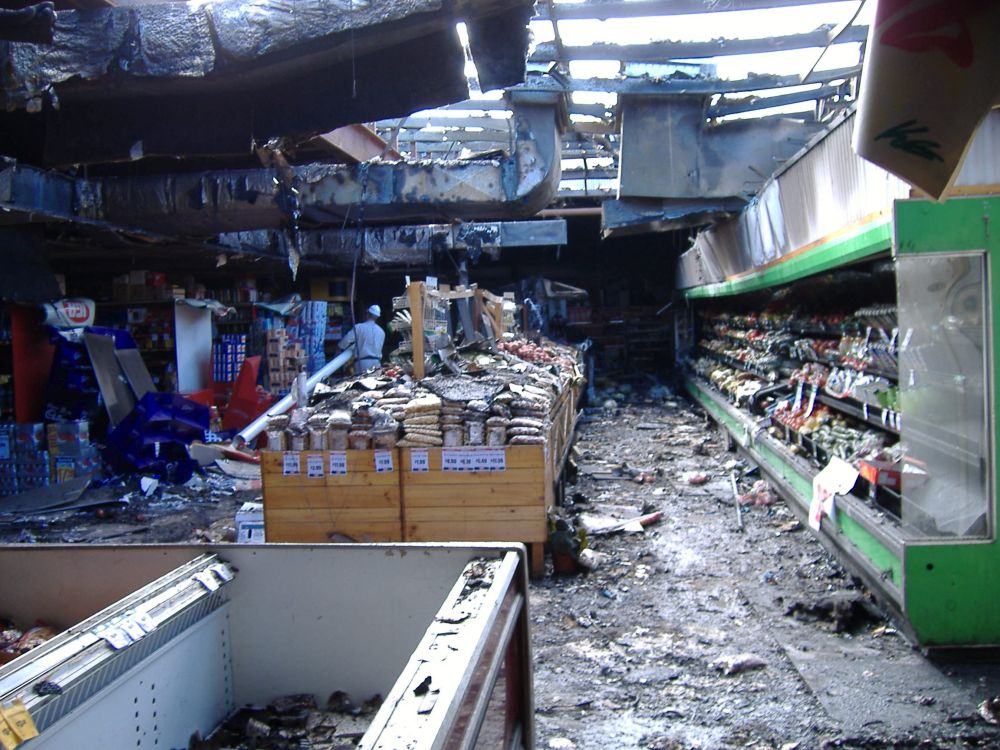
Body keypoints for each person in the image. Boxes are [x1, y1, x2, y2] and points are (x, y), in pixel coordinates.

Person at [339, 304, 385, 372]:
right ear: (377, 317)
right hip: (377, 363)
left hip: (363, 363)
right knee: (376, 381)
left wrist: (339, 348)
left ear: (367, 314)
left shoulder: (359, 327)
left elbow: (345, 342)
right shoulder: (381, 331)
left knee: (362, 381)